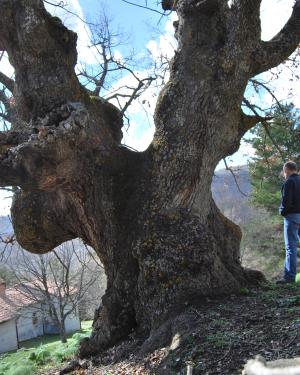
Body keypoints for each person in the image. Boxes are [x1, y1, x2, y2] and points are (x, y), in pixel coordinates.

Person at [277, 161, 300, 284]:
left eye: (284, 172)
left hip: (292, 217)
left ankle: (289, 277)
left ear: (287, 170)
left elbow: (287, 202)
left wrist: (282, 212)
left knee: (291, 247)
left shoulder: (289, 182)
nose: (284, 174)